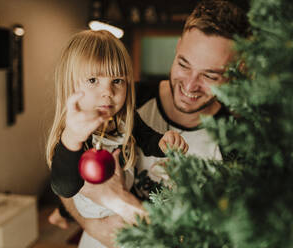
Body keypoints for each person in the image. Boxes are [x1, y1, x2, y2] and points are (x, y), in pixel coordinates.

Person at [48, 0, 251, 247]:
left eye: (210, 75)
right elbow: (65, 177)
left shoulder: (238, 145)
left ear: (238, 70)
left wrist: (120, 201)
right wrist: (89, 222)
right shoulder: (124, 101)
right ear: (177, 48)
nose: (189, 85)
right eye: (183, 64)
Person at [46, 30, 188, 247]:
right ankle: (61, 213)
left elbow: (146, 137)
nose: (108, 92)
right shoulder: (73, 134)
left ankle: (61, 213)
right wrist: (72, 138)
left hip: (125, 211)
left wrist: (162, 143)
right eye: (93, 80)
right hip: (98, 226)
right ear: (70, 85)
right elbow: (65, 187)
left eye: (117, 80)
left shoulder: (125, 120)